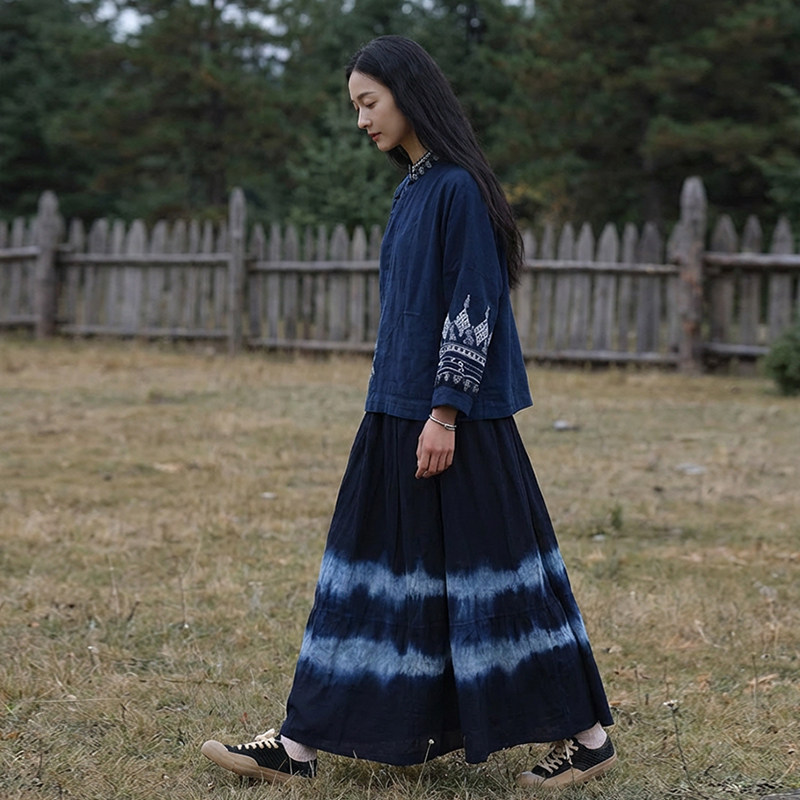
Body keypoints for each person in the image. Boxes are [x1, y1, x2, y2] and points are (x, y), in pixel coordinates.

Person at [201, 35, 616, 790]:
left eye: (369, 102)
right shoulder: (415, 187)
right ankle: (297, 744)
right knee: (368, 582)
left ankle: (588, 738)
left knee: (503, 583)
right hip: (395, 414)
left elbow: (473, 303)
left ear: (408, 93)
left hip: (457, 424)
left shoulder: (458, 188)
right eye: (355, 106)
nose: (361, 120)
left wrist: (446, 412)